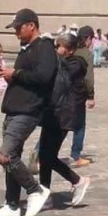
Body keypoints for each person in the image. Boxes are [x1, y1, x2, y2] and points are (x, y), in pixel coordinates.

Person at [0, 8, 55, 216]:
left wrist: (16, 73)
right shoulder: (27, 48)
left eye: (18, 28)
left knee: (6, 156)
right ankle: (12, 205)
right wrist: (11, 76)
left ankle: (35, 190)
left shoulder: (44, 47)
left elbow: (44, 76)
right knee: (12, 155)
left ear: (31, 25)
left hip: (28, 110)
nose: (16, 33)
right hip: (14, 108)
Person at [32, 31, 90, 206]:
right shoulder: (61, 61)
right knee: (45, 155)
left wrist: (50, 52)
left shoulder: (77, 63)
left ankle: (77, 180)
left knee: (48, 156)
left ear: (70, 49)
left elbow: (62, 72)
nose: (56, 49)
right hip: (52, 112)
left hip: (64, 115)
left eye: (58, 46)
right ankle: (45, 193)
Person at [69, 24, 97, 166]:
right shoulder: (87, 54)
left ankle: (38, 153)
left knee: (56, 125)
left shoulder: (71, 49)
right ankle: (76, 155)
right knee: (79, 125)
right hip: (78, 94)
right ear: (88, 39)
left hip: (64, 92)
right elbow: (88, 78)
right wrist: (90, 96)